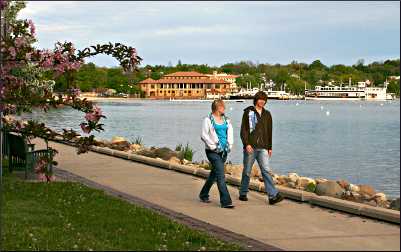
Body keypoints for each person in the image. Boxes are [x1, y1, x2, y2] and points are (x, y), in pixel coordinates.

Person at [239, 91, 284, 205]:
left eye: (264, 99)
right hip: (251, 147)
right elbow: (243, 130)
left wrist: (270, 147)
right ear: (256, 100)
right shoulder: (249, 112)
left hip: (263, 147)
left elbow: (269, 132)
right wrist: (246, 144)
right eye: (260, 99)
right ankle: (243, 193)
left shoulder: (267, 114)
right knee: (247, 171)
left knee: (266, 171)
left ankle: (272, 196)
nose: (262, 101)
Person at [199, 99, 235, 208]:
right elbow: (204, 135)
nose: (225, 108)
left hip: (224, 151)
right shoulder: (208, 120)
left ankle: (203, 194)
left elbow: (230, 134)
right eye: (223, 106)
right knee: (221, 175)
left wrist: (230, 145)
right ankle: (226, 201)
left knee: (214, 174)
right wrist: (213, 147)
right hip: (212, 152)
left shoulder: (226, 120)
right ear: (218, 107)